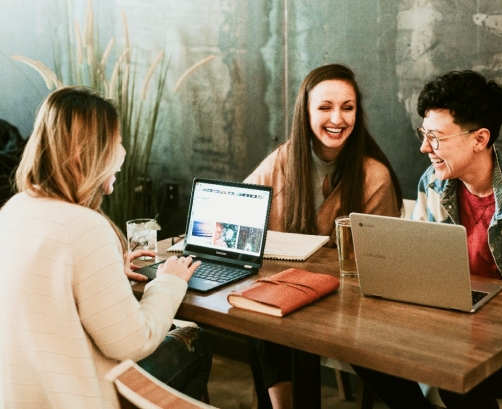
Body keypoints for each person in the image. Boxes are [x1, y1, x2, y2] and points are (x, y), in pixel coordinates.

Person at [353, 70, 502, 409]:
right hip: (454, 330)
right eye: (423, 134)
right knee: (360, 347)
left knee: (459, 374)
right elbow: (417, 266)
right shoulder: (433, 184)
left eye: (436, 138)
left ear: (480, 139)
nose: (425, 147)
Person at [0, 87, 212, 408]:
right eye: (116, 142)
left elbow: (46, 290)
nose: (123, 152)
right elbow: (131, 343)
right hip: (77, 397)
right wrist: (169, 282)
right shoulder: (84, 226)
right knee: (196, 340)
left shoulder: (15, 208)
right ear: (87, 153)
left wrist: (110, 269)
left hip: (22, 396)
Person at [244, 63, 403, 409]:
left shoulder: (374, 175)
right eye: (325, 107)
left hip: (347, 306)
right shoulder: (285, 158)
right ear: (306, 112)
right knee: (261, 315)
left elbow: (379, 263)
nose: (338, 118)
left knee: (269, 318)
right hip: (287, 294)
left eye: (348, 108)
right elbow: (243, 208)